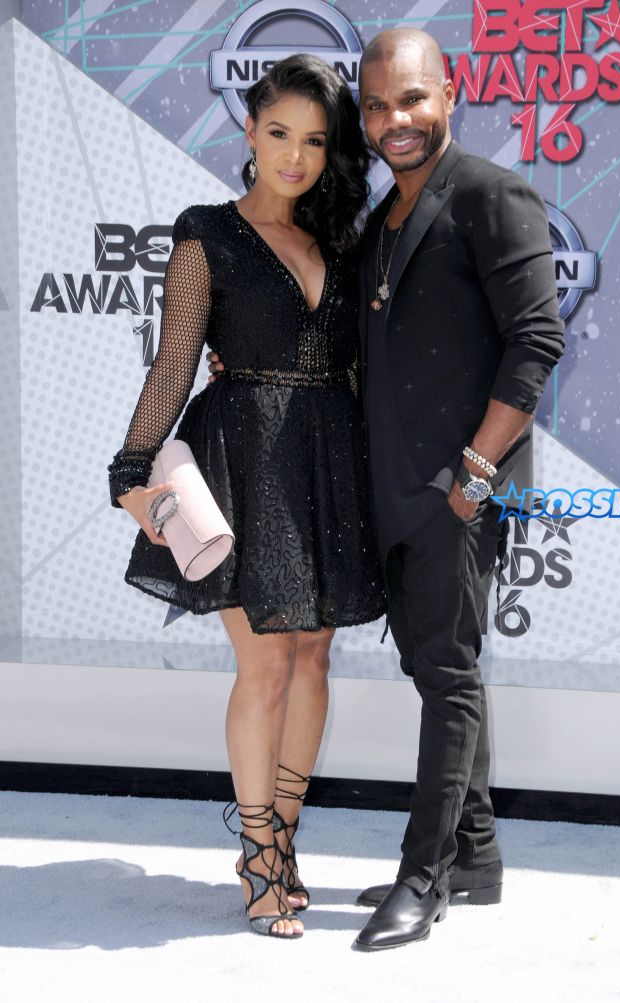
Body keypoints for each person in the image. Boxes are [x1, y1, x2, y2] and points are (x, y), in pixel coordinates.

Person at [211, 28, 566, 951]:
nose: (392, 121)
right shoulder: (382, 219)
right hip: (393, 494)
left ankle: (426, 877)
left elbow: (538, 342)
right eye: (373, 108)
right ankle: (477, 854)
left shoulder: (492, 195)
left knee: (448, 679)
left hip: (460, 489)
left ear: (448, 93)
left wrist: (476, 472)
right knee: (433, 669)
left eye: (410, 100)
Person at [108, 54, 386, 941]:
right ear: (249, 133)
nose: (296, 157)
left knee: (314, 660)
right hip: (244, 458)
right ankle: (256, 852)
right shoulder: (206, 234)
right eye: (278, 135)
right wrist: (131, 470)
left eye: (314, 141)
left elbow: (358, 362)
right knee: (265, 663)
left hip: (327, 459)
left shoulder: (343, 238)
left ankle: (286, 842)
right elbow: (174, 362)